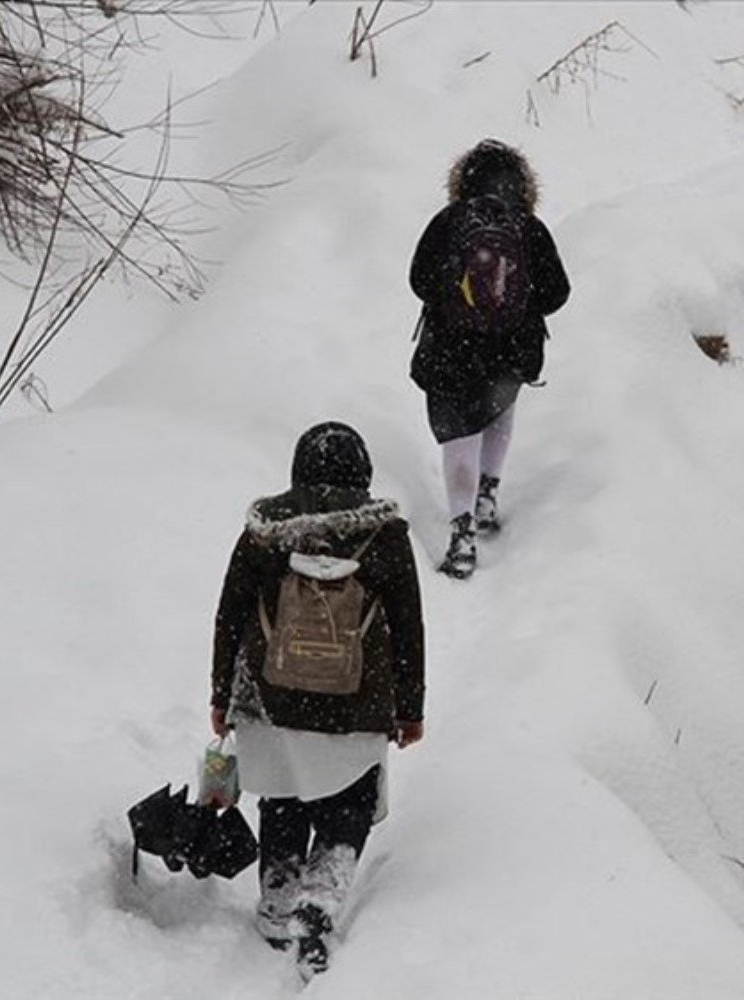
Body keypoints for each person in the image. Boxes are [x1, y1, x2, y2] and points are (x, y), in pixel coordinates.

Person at [210, 422, 425, 981]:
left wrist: (219, 696)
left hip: (270, 696)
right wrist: (411, 708)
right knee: (349, 801)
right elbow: (408, 627)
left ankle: (278, 899)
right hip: (357, 701)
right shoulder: (386, 535)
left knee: (283, 794)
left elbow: (231, 614)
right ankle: (321, 899)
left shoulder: (266, 531)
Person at [408, 138, 570, 579]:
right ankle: (488, 494)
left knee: (458, 436)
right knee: (498, 407)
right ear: (522, 184)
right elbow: (558, 293)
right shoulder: (528, 227)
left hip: (449, 352)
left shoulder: (448, 221)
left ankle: (462, 534)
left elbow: (419, 280)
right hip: (509, 352)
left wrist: (456, 300)